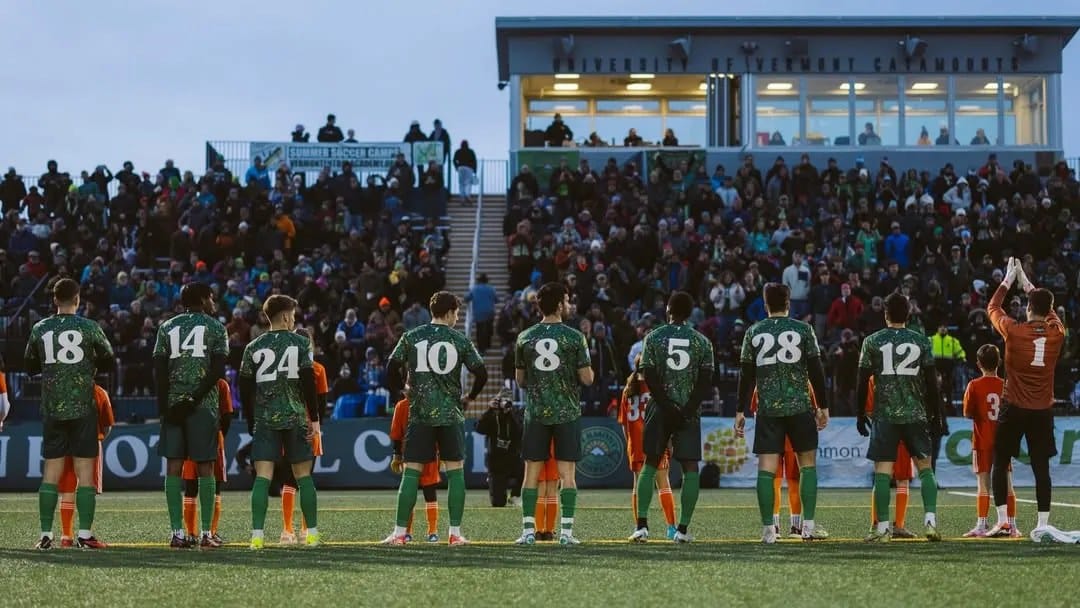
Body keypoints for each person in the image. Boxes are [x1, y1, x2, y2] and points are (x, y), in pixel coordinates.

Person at [381, 291, 487, 546]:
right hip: (450, 414)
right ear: (449, 313)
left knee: (411, 473)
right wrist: (470, 397)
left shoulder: (412, 336)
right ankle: (455, 533)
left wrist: (402, 390)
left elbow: (390, 367)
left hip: (420, 414)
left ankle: (399, 533)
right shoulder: (459, 340)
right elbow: (481, 373)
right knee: (455, 472)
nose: (457, 318)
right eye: (456, 313)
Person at [25, 278, 115, 550]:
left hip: (53, 407)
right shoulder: (89, 327)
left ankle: (45, 534)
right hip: (83, 407)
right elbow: (109, 359)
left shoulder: (40, 328)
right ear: (78, 299)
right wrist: (86, 367)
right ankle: (85, 535)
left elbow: (29, 366)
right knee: (85, 474)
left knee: (51, 473)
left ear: (55, 299)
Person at [736, 283, 829, 544]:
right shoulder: (803, 329)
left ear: (766, 305)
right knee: (807, 466)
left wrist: (739, 410)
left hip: (768, 409)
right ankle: (807, 527)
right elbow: (816, 370)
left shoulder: (754, 331)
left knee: (766, 469)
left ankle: (769, 530)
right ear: (789, 303)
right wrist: (823, 406)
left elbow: (746, 374)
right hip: (800, 407)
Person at [856, 292, 946, 542]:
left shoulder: (872, 341)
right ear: (908, 315)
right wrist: (936, 414)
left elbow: (862, 381)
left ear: (885, 314)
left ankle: (883, 529)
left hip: (885, 416)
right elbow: (932, 383)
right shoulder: (921, 342)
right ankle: (930, 522)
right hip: (915, 413)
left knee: (882, 473)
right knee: (926, 469)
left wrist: (859, 413)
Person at [987, 258, 1064, 541]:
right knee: (1041, 467)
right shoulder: (1057, 333)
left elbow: (993, 308)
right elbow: (1048, 308)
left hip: (1014, 406)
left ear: (1028, 308)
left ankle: (1003, 522)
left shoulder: (1014, 331)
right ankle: (1042, 524)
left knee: (1000, 461)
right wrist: (1027, 283)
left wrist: (1009, 279)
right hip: (1042, 410)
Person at [630, 291, 712, 544]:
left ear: (668, 310)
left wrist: (666, 406)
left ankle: (642, 526)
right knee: (690, 467)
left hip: (659, 409)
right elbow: (705, 381)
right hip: (689, 410)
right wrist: (686, 410)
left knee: (650, 464)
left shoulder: (653, 337)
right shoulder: (702, 341)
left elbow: (649, 375)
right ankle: (683, 530)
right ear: (690, 313)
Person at [513, 282, 593, 545]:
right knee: (567, 475)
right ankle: (567, 533)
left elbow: (520, 380)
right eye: (567, 301)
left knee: (531, 475)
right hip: (566, 412)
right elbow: (587, 378)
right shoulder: (574, 337)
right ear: (559, 305)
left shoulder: (525, 337)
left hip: (536, 411)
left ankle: (528, 531)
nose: (569, 305)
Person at [240, 295, 322, 549]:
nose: (294, 320)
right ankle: (312, 534)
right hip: (295, 417)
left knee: (262, 477)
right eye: (293, 315)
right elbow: (309, 383)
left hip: (265, 419)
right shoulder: (300, 343)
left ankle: (257, 535)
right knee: (303, 477)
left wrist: (251, 420)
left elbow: (244, 389)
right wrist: (315, 420)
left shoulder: (253, 347)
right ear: (286, 316)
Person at [154, 282, 229, 549]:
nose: (213, 302)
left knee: (173, 467)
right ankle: (207, 533)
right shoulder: (216, 328)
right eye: (211, 297)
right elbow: (217, 370)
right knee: (205, 467)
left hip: (173, 405)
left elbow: (159, 370)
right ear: (203, 299)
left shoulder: (166, 327)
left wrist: (165, 408)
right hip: (203, 406)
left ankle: (177, 533)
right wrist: (194, 398)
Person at [961, 345, 1018, 538]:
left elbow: (967, 413)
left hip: (982, 439)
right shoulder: (1006, 385)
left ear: (978, 364)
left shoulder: (974, 385)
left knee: (983, 483)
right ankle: (1012, 525)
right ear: (999, 362)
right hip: (1003, 440)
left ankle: (981, 525)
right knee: (1007, 483)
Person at [617, 356, 677, 540]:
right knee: (663, 482)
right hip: (656, 440)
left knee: (638, 484)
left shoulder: (628, 388)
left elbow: (624, 423)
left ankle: (640, 527)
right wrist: (669, 441)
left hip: (635, 443)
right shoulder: (656, 387)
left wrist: (630, 443)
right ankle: (671, 527)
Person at [278, 328, 329, 545]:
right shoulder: (317, 369)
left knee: (289, 480)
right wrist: (315, 427)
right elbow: (321, 405)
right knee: (305, 478)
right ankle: (306, 530)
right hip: (309, 427)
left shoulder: (282, 369)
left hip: (287, 426)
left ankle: (287, 530)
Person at [56, 384, 113, 547]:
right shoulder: (99, 392)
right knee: (87, 487)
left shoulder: (61, 389)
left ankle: (66, 536)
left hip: (66, 442)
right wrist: (99, 438)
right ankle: (85, 535)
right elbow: (107, 425)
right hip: (90, 441)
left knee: (68, 488)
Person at [180, 379, 233, 545]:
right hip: (213, 438)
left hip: (190, 437)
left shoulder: (186, 380)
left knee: (190, 486)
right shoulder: (220, 383)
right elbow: (227, 415)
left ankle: (191, 533)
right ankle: (210, 532)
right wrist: (219, 434)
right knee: (214, 486)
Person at [864, 377, 916, 539]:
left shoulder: (874, 378)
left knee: (881, 478)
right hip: (904, 434)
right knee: (903, 480)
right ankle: (899, 526)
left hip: (883, 433)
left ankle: (876, 524)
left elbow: (869, 409)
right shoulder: (909, 376)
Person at [389, 393, 442, 542]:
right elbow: (397, 434)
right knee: (414, 494)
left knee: (426, 493)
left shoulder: (428, 404)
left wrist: (397, 455)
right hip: (414, 455)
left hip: (422, 455)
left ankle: (430, 531)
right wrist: (397, 455)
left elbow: (396, 434)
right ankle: (412, 531)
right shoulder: (403, 406)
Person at [475, 388, 523, 508]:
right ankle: (494, 483)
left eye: (508, 400)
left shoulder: (516, 413)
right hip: (496, 463)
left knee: (529, 467)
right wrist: (489, 409)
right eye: (503, 400)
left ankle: (515, 495)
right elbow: (479, 428)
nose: (505, 403)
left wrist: (509, 413)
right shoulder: (492, 414)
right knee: (498, 503)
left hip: (514, 459)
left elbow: (519, 431)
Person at [465, 274, 497, 352]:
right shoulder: (491, 289)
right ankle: (488, 344)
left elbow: (467, 298)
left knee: (479, 330)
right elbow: (496, 300)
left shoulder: (474, 289)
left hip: (478, 312)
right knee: (489, 327)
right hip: (490, 312)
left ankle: (481, 348)